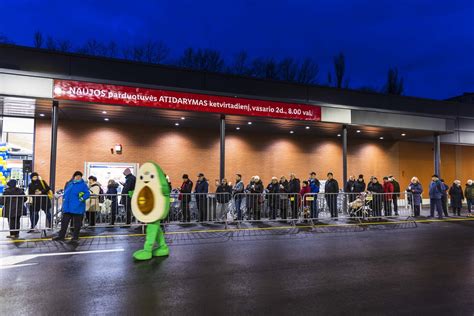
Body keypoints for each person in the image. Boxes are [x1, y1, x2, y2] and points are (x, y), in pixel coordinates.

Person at [52, 171, 90, 245]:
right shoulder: (70, 183)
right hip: (67, 207)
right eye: (76, 176)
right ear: (74, 176)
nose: (78, 177)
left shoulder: (83, 185)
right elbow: (66, 193)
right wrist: (64, 199)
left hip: (77, 207)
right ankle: (61, 236)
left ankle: (75, 238)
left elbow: (87, 193)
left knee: (77, 224)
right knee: (64, 222)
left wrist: (81, 199)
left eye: (79, 176)